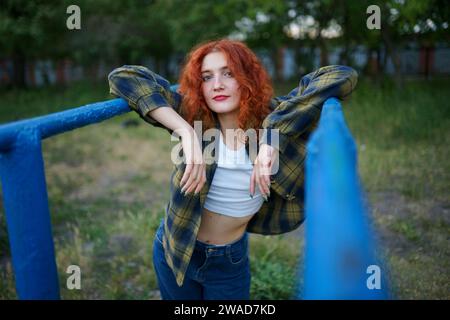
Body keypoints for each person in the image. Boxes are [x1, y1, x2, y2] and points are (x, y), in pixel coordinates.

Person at [108, 38, 358, 300]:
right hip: (176, 248)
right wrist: (185, 132)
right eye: (207, 77)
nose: (217, 85)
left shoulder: (274, 117)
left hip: (228, 262)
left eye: (228, 73)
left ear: (247, 77)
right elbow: (123, 77)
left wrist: (273, 140)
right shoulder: (194, 118)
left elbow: (342, 75)